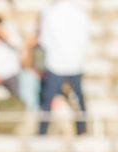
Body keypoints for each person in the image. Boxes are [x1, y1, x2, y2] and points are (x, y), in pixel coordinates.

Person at [31, 0, 92, 134]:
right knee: (79, 100)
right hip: (75, 63)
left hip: (55, 64)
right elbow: (86, 40)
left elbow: (43, 41)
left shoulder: (49, 13)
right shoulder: (80, 13)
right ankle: (83, 130)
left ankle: (42, 132)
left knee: (47, 101)